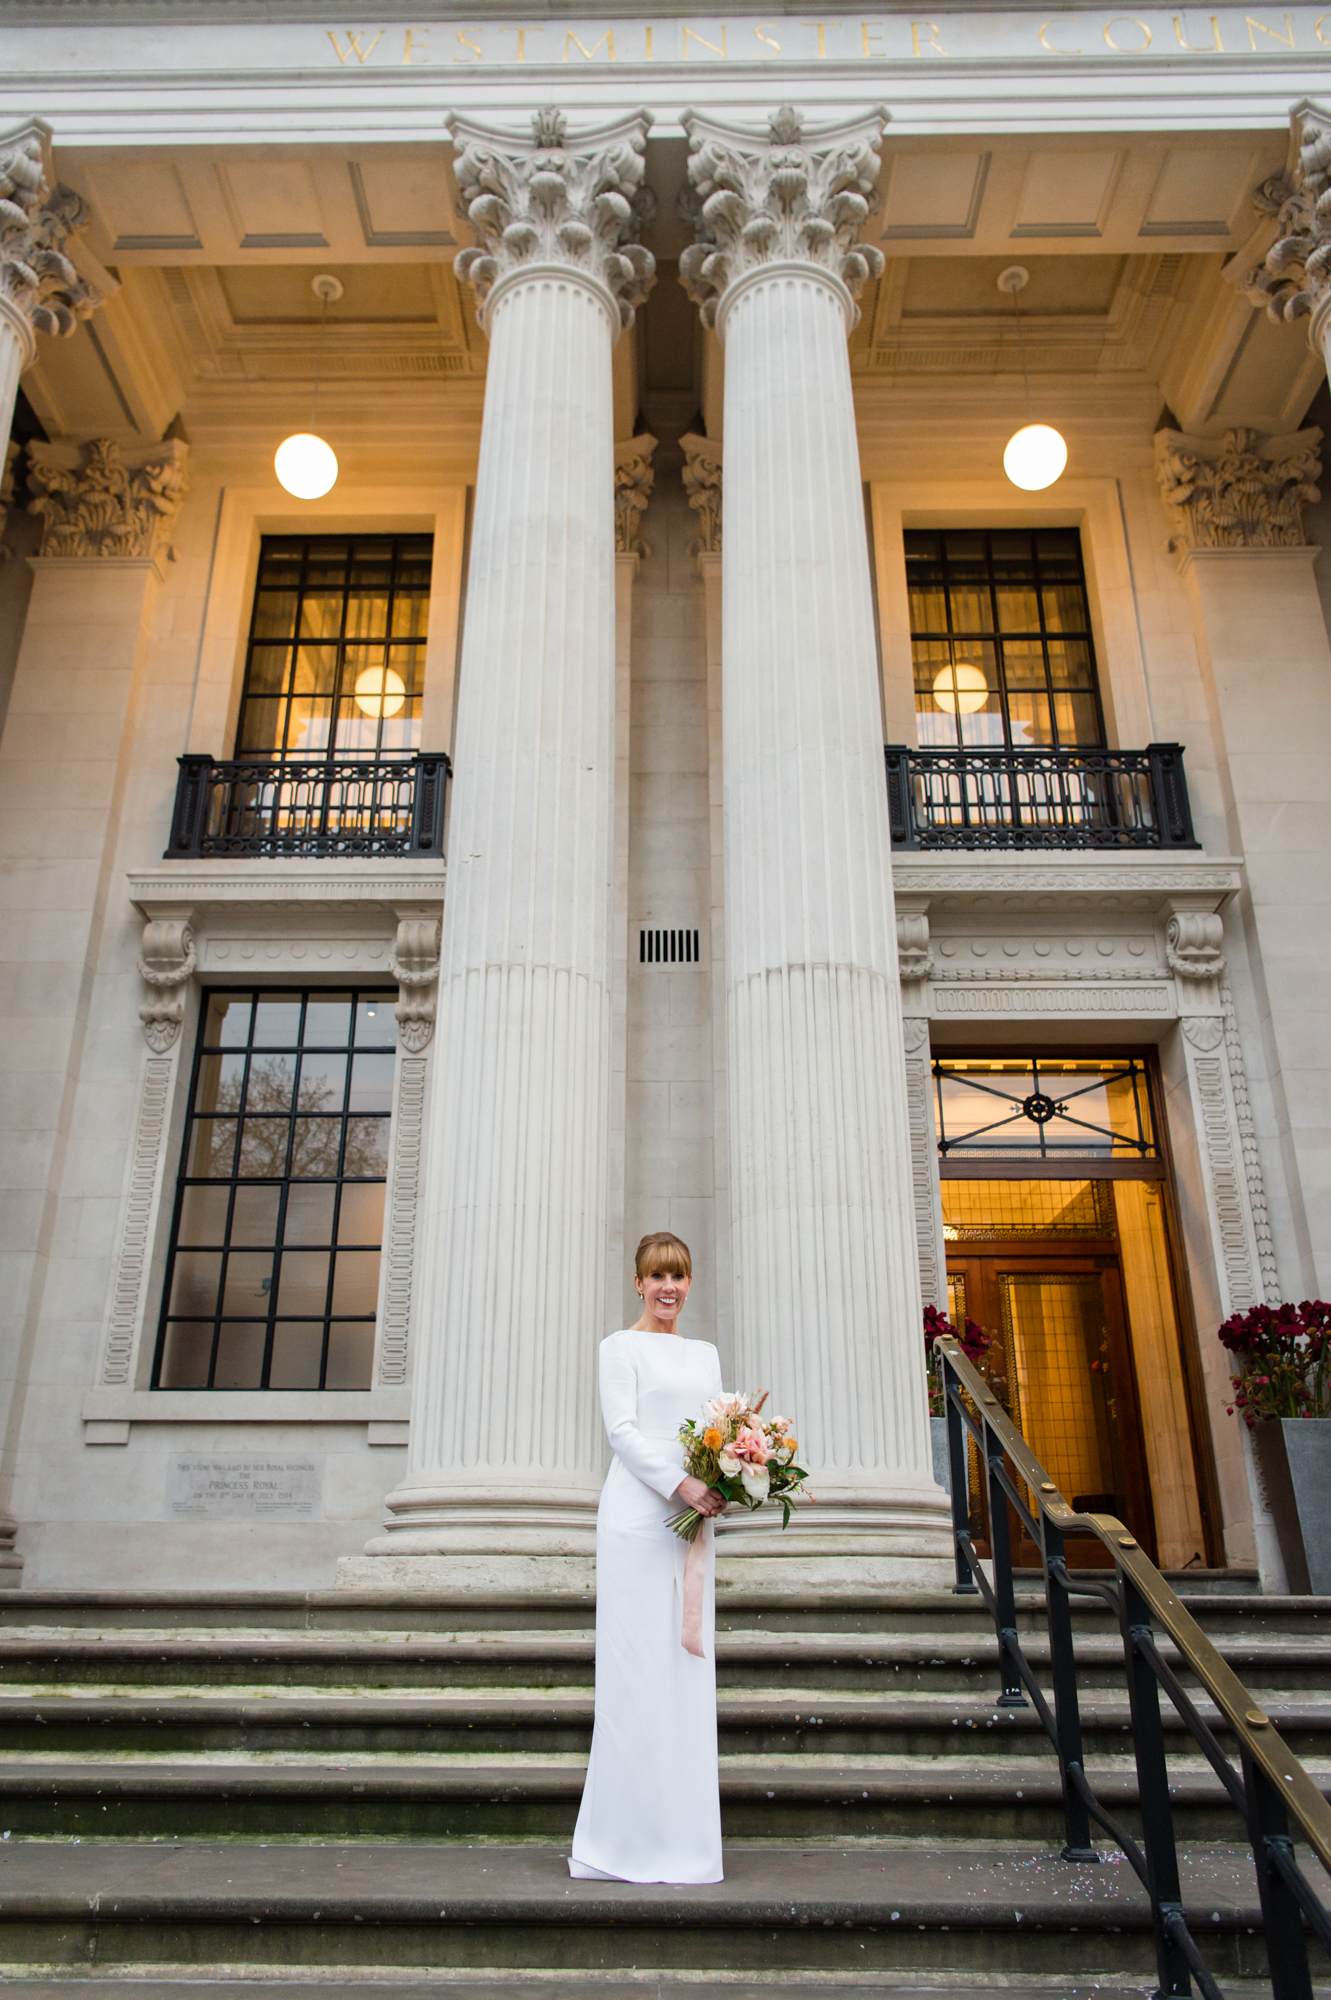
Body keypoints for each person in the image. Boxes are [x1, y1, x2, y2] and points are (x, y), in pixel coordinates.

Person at [568, 1231, 726, 1885]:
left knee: (683, 1669)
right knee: (636, 1668)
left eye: (679, 1276)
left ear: (689, 1284)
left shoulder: (706, 1353)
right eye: (657, 1276)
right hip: (637, 1517)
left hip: (689, 1522)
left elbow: (717, 1426)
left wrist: (727, 1474)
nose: (668, 1287)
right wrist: (679, 1482)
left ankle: (683, 1839)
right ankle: (620, 1840)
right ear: (637, 1282)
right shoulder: (618, 1347)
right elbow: (622, 1431)